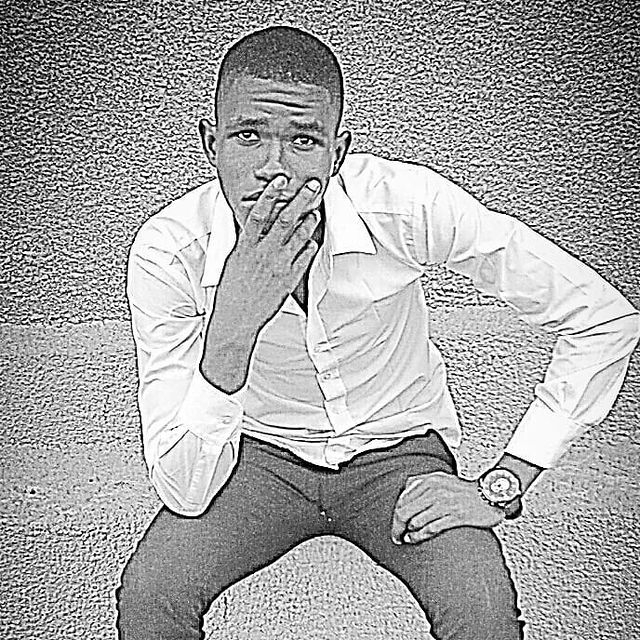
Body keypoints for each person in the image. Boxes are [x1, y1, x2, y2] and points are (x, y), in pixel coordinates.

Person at [117, 26, 639, 640]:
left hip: (401, 453)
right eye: (247, 135)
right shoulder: (170, 251)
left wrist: (504, 482)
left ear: (337, 152)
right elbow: (184, 489)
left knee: (483, 613)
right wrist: (234, 324)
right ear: (211, 142)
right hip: (257, 454)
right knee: (151, 596)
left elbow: (603, 317)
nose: (273, 171)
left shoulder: (403, 205)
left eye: (303, 141)